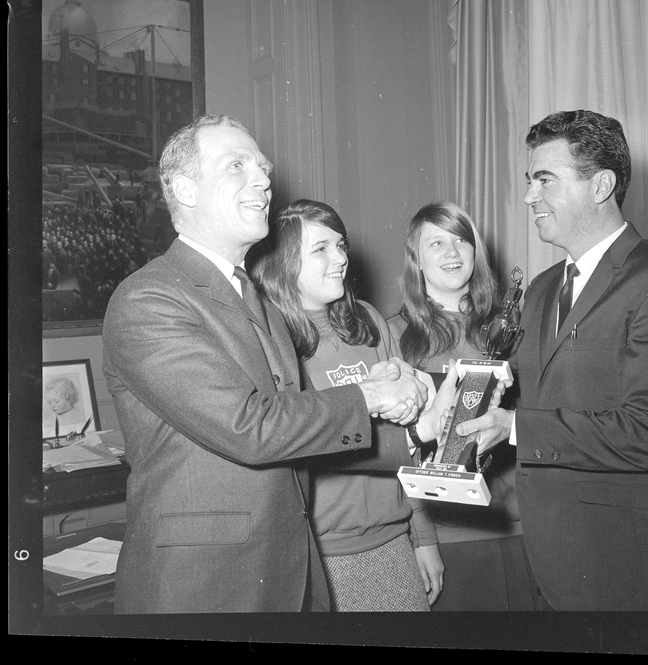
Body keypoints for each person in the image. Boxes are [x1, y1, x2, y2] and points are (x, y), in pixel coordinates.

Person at [102, 114, 443, 614]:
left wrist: (416, 435)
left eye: (262, 168)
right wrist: (368, 396)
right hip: (203, 585)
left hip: (289, 567)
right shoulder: (149, 299)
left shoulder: (254, 300)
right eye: (236, 166)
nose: (262, 179)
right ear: (185, 189)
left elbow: (296, 433)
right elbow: (250, 426)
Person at [456, 110, 648, 611]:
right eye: (530, 181)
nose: (530, 196)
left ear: (602, 186)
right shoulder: (541, 290)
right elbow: (527, 394)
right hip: (549, 567)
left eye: (545, 180)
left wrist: (514, 427)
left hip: (630, 577)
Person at [253, 199, 455, 610]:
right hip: (322, 553)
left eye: (341, 245)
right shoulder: (269, 340)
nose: (341, 258)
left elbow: (406, 441)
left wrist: (423, 535)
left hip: (393, 539)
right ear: (283, 262)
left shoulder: (366, 320)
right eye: (321, 249)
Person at [386, 201, 536, 611]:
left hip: (522, 522)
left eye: (461, 240)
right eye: (436, 243)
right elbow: (400, 447)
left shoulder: (513, 329)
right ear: (416, 259)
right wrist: (424, 539)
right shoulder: (396, 336)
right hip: (450, 531)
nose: (453, 252)